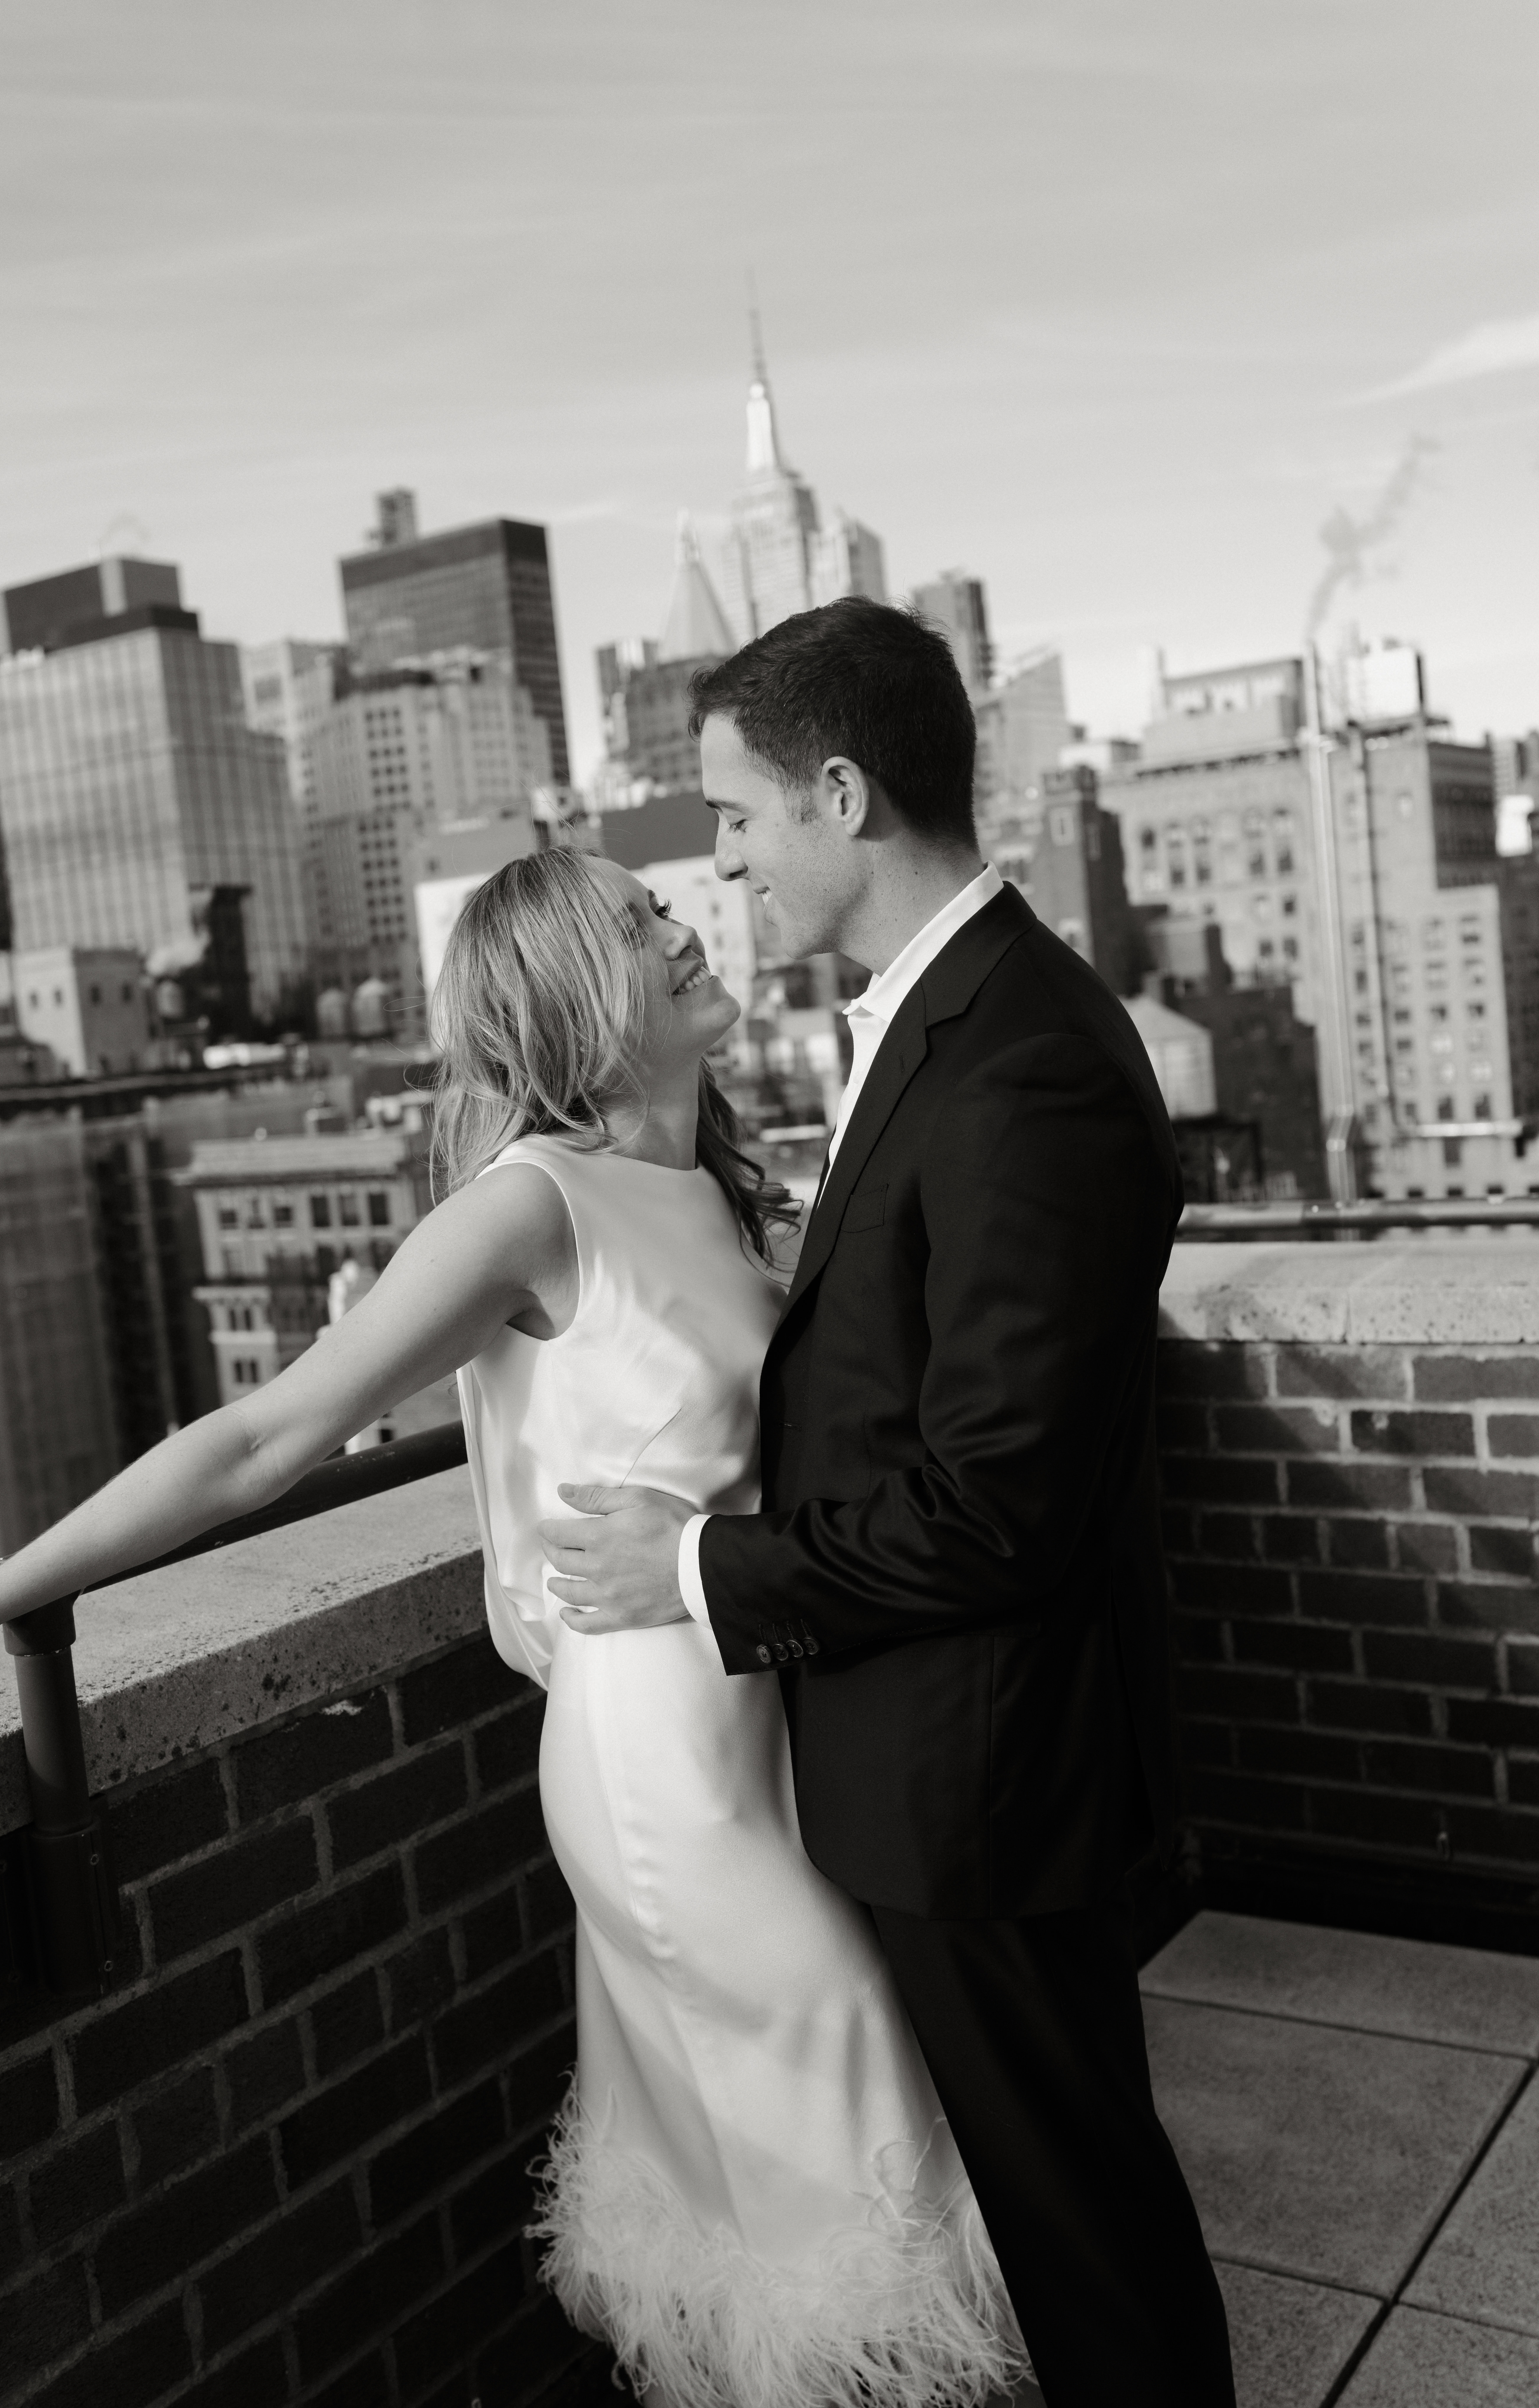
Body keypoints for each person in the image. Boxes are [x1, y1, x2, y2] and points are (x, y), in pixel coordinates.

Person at [0, 845, 1026, 2408]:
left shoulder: (714, 1186)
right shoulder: (529, 1206)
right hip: (669, 1770)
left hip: (771, 1709)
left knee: (813, 2150)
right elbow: (262, 1440)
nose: (685, 926)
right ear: (576, 993)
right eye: (643, 924)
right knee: (836, 2145)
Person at [539, 598, 1237, 2407]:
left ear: (839, 795)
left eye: (741, 817)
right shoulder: (945, 1018)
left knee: (1083, 2225)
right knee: (1050, 2201)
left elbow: (995, 1503)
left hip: (989, 1778)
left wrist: (697, 1564)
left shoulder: (1021, 1061)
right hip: (939, 1759)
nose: (723, 860)